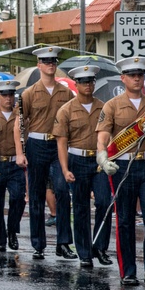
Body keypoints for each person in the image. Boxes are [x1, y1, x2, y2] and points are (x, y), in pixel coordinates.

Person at [96, 57, 145, 286]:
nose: (136, 78)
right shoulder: (112, 105)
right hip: (123, 167)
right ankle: (128, 271)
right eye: (131, 75)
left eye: (140, 74)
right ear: (123, 78)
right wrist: (103, 158)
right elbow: (103, 137)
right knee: (125, 220)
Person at [15, 46, 75, 260]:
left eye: (53, 62)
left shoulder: (66, 92)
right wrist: (19, 152)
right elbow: (19, 124)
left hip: (57, 146)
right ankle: (38, 244)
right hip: (36, 145)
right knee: (37, 195)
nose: (51, 65)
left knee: (61, 191)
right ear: (39, 65)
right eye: (47, 61)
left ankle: (63, 243)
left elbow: (71, 122)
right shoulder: (28, 93)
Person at [56, 66, 111, 268]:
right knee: (80, 208)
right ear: (76, 84)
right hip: (76, 160)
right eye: (84, 82)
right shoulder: (66, 110)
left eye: (91, 81)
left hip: (98, 161)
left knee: (105, 202)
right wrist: (64, 169)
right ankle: (84, 252)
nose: (88, 85)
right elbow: (61, 142)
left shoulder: (104, 107)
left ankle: (100, 247)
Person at [0, 79, 25, 253]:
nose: (8, 98)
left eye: (11, 95)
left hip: (15, 162)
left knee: (18, 198)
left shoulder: (21, 116)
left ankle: (12, 231)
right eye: (5, 95)